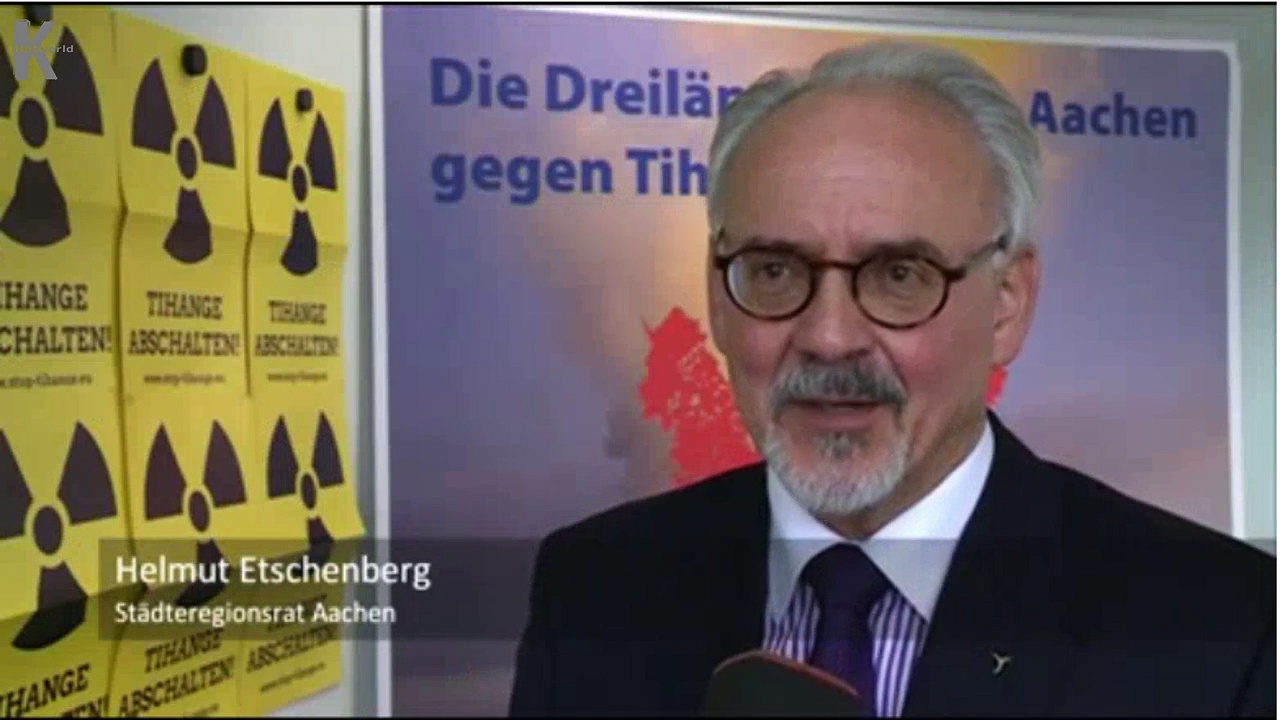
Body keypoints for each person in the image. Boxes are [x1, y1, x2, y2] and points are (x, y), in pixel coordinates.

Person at [508, 40, 1275, 717]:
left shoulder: (1224, 627)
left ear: (1007, 304)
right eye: (774, 271)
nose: (829, 337)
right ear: (716, 296)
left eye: (899, 275)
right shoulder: (595, 589)